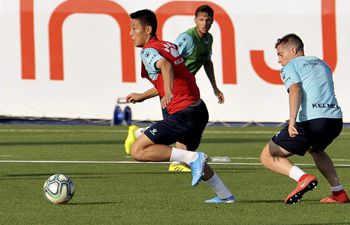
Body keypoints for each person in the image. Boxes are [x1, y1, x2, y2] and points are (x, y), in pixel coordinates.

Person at [125, 9, 235, 203]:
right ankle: (225, 195)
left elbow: (166, 67)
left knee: (138, 151)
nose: (131, 34)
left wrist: (167, 92)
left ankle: (194, 160)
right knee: (188, 156)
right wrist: (143, 96)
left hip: (183, 112)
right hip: (199, 110)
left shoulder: (148, 51)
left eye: (135, 28)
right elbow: (174, 75)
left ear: (148, 29)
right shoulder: (167, 45)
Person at [260, 33, 349, 204]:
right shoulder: (322, 63)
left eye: (280, 54)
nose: (279, 60)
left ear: (292, 50)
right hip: (335, 120)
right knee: (316, 149)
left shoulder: (291, 65)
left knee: (267, 155)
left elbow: (295, 89)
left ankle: (302, 178)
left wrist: (292, 120)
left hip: (312, 121)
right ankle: (338, 192)